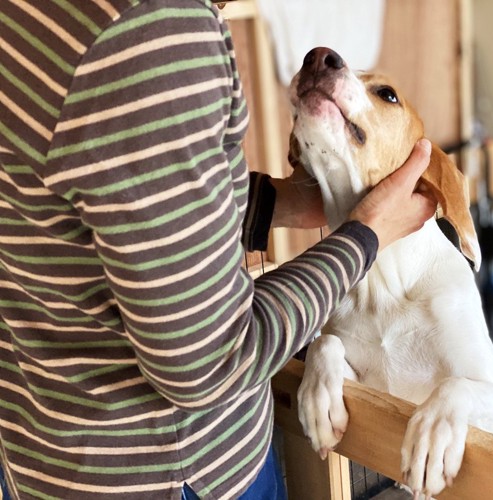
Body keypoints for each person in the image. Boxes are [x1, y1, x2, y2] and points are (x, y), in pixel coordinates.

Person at [0, 1, 436, 498]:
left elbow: (106, 200)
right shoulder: (153, 32)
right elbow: (210, 362)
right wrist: (364, 236)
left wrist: (276, 205)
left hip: (38, 450)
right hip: (173, 472)